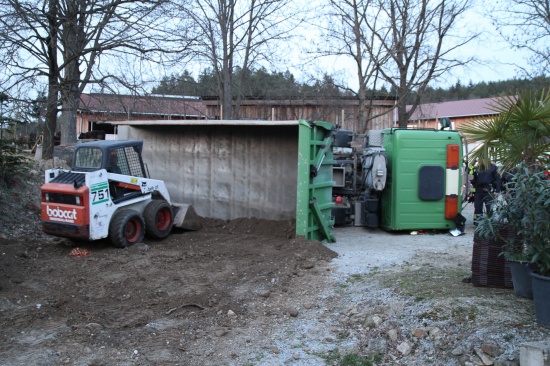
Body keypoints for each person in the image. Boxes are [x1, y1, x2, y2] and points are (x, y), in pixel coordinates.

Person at [470, 158, 501, 224]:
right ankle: (477, 223)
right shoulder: (477, 168)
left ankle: (490, 223)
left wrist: (497, 191)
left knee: (489, 208)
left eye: (483, 159)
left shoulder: (493, 168)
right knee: (477, 207)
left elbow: (498, 180)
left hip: (488, 190)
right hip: (478, 190)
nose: (481, 160)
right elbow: (473, 179)